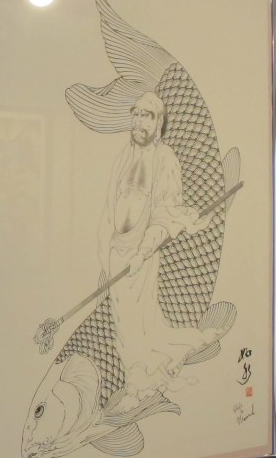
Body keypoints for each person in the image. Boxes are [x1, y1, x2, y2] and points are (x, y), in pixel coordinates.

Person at [97, 91, 228, 407]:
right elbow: (109, 207)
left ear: (159, 123)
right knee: (121, 319)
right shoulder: (123, 156)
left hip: (142, 253)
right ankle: (137, 376)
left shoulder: (165, 158)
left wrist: (143, 251)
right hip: (116, 252)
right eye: (137, 113)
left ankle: (137, 383)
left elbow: (165, 213)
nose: (140, 121)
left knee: (138, 320)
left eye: (148, 115)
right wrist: (105, 250)